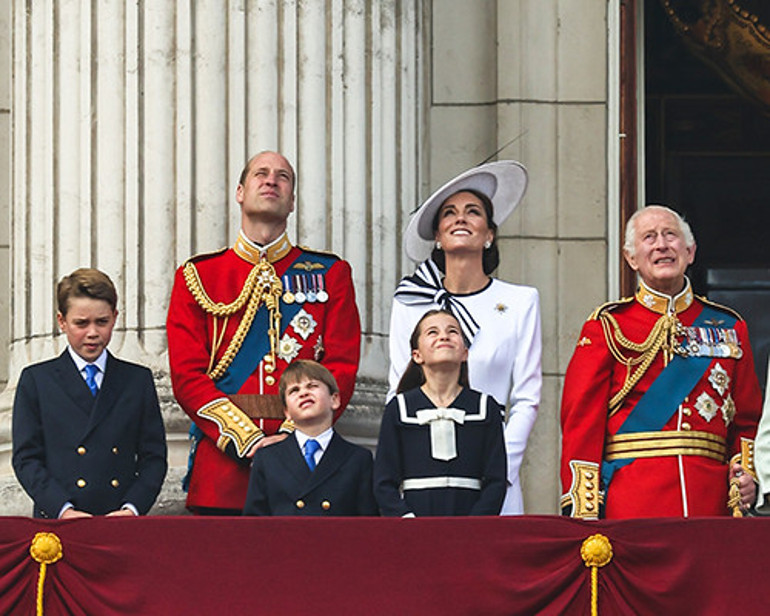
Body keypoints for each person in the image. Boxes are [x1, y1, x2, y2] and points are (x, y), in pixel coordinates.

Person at [167, 151, 361, 514]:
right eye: (261, 173)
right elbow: (186, 375)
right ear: (240, 192)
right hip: (222, 475)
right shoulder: (198, 277)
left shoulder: (331, 273)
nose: (271, 180)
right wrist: (246, 440)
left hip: (307, 470)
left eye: (282, 176)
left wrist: (290, 438)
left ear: (292, 202)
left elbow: (341, 366)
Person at [560, 205, 762, 519]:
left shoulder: (729, 328)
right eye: (649, 237)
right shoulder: (607, 327)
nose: (662, 245)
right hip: (631, 503)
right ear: (631, 258)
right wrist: (584, 509)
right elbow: (581, 424)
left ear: (690, 251)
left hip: (710, 504)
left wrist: (748, 477)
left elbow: (748, 420)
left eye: (671, 235)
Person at [388, 160, 541, 515]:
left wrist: (497, 468)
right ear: (438, 237)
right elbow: (397, 389)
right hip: (423, 473)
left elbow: (527, 399)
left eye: (473, 212)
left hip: (493, 469)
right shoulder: (410, 302)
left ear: (489, 234)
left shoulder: (521, 302)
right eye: (450, 213)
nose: (461, 218)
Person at [12, 268, 168, 519]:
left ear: (115, 318)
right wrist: (63, 510)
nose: (93, 332)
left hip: (121, 521)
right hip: (60, 522)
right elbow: (26, 459)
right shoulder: (37, 380)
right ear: (62, 321)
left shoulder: (137, 380)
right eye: (81, 323)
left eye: (102, 322)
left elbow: (154, 457)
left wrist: (132, 508)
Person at [375, 309, 506, 516]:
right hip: (415, 526)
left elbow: (496, 479)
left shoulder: (485, 407)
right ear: (417, 355)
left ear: (465, 353)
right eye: (432, 332)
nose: (444, 336)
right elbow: (384, 481)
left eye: (453, 331)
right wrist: (406, 520)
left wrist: (477, 524)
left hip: (470, 528)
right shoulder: (399, 409)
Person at [243, 360, 377, 516]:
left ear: (334, 400)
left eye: (312, 386)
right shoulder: (267, 458)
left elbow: (367, 525)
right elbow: (254, 524)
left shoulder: (358, 459)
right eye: (294, 390)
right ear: (287, 413)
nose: (303, 393)